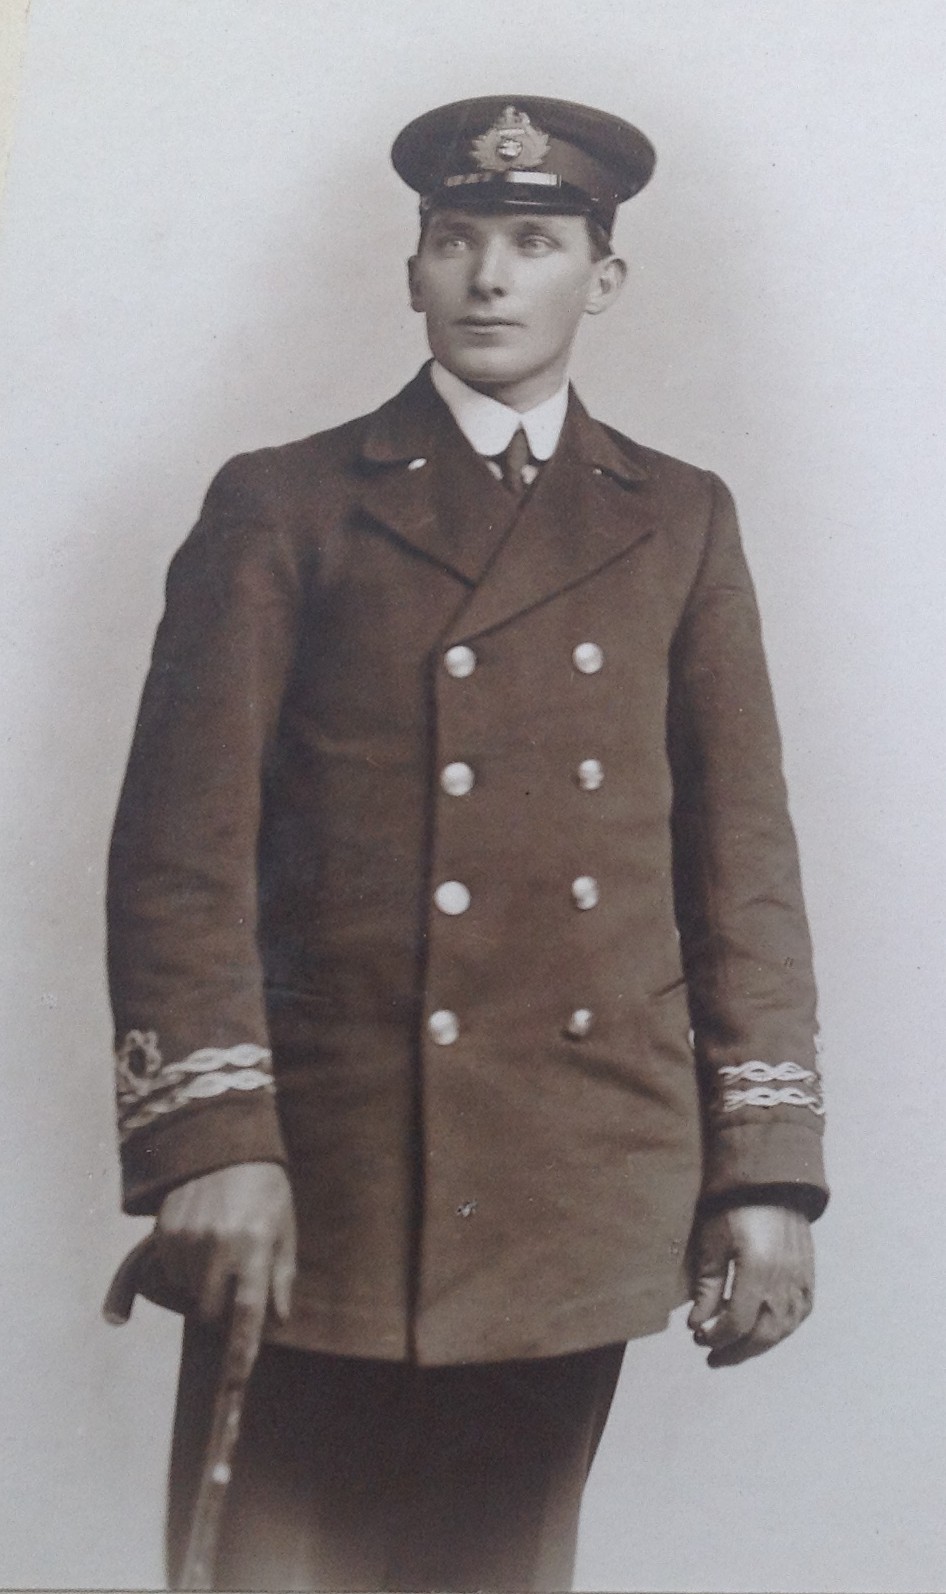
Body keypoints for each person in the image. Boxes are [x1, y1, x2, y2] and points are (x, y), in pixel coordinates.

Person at [107, 95, 828, 1592]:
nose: (489, 277)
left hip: (574, 1172)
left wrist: (764, 1172)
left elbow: (741, 870)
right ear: (413, 269)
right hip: (330, 1174)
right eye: (456, 240)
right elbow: (181, 856)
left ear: (601, 278)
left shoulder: (679, 518)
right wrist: (216, 1142)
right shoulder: (287, 505)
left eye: (533, 243)